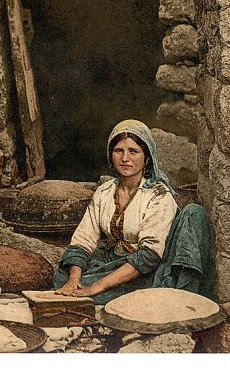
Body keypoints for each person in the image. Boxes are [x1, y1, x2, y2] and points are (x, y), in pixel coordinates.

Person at [53, 119, 179, 305]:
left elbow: (149, 255)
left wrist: (98, 286)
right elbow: (83, 239)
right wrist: (74, 280)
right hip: (109, 261)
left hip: (139, 269)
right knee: (63, 278)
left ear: (147, 157)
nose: (125, 158)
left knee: (97, 290)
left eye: (133, 151)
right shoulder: (104, 191)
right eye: (118, 151)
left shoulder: (158, 195)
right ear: (110, 154)